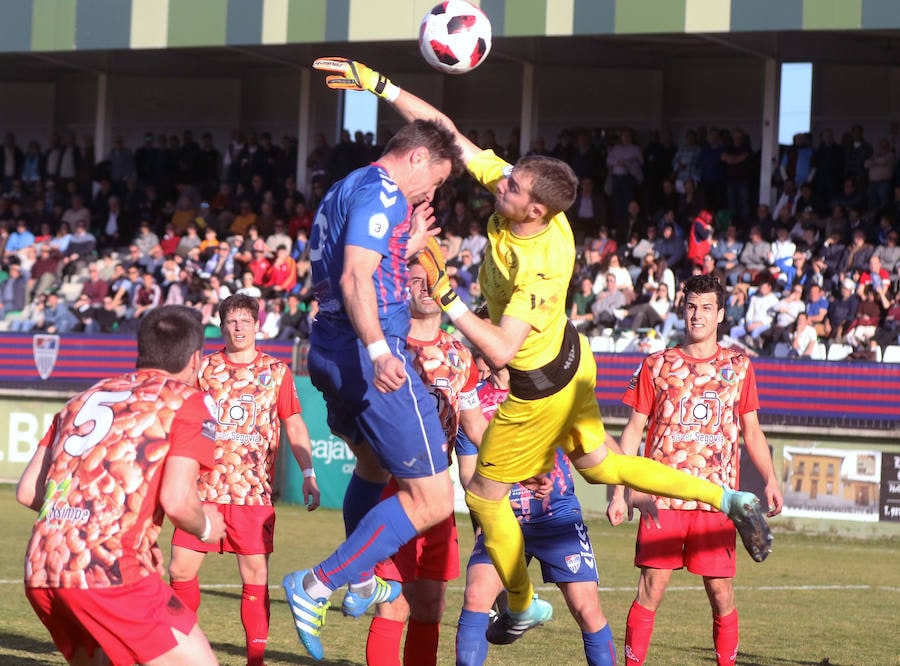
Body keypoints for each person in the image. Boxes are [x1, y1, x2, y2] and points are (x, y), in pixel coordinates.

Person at [310, 57, 772, 651]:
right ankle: (730, 497)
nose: (497, 183)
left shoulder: (539, 266)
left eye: (511, 186)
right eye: (506, 177)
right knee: (602, 465)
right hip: (574, 361)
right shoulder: (530, 204)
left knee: (481, 497)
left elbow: (501, 349)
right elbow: (448, 134)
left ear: (535, 210)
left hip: (537, 389)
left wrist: (446, 292)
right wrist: (381, 85)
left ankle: (524, 603)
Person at [280, 73, 467, 661]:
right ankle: (317, 583)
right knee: (433, 499)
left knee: (367, 461)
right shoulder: (386, 191)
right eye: (430, 182)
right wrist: (383, 350)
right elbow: (355, 276)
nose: (427, 197)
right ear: (414, 159)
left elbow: (357, 264)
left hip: (329, 348)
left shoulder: (347, 186)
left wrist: (405, 248)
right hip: (369, 348)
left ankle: (362, 579)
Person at [16, 305, 226, 666]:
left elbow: (28, 491)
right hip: (108, 571)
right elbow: (176, 501)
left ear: (141, 349)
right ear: (196, 358)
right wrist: (207, 525)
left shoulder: (80, 399)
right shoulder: (189, 401)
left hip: (42, 568)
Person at [607, 274, 783, 666]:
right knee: (651, 588)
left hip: (717, 504)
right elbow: (634, 429)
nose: (696, 315)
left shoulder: (739, 367)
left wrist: (770, 478)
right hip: (661, 499)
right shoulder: (657, 364)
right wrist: (620, 490)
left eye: (706, 308)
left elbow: (752, 430)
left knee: (721, 594)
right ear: (681, 309)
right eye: (690, 306)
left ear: (720, 314)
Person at [168, 293, 321, 666]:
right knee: (178, 569)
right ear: (222, 327)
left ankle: (255, 659)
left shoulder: (277, 371)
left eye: (245, 321)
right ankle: (181, 650)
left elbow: (294, 423)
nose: (238, 328)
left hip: (252, 495)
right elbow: (178, 416)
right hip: (201, 490)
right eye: (231, 321)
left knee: (255, 577)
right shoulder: (203, 369)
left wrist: (308, 473)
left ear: (257, 325)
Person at [365, 260, 487, 666]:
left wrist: (518, 468)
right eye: (414, 280)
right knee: (393, 605)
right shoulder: (387, 347)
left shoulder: (460, 355)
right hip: (393, 491)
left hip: (438, 498)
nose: (424, 287)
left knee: (431, 606)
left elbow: (473, 424)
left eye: (431, 280)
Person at [456, 360, 615, 666]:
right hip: (503, 517)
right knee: (476, 596)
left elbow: (594, 439)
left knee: (587, 609)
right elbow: (467, 472)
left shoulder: (545, 390)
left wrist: (624, 488)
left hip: (556, 514)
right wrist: (493, 501)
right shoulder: (472, 402)